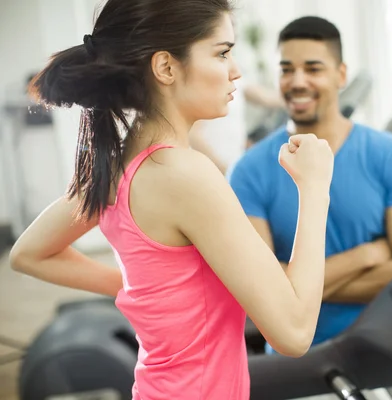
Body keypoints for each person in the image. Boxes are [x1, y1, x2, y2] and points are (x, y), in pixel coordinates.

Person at [9, 1, 335, 399]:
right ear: (165, 67)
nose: (236, 70)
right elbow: (295, 333)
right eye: (222, 53)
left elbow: (28, 252)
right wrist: (316, 188)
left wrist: (144, 290)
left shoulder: (119, 165)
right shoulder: (185, 175)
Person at [228, 16, 392, 350]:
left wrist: (296, 289)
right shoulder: (248, 170)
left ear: (340, 74)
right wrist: (365, 256)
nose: (297, 81)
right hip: (296, 355)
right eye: (286, 69)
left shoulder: (390, 154)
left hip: (382, 345)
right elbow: (263, 290)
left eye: (312, 68)